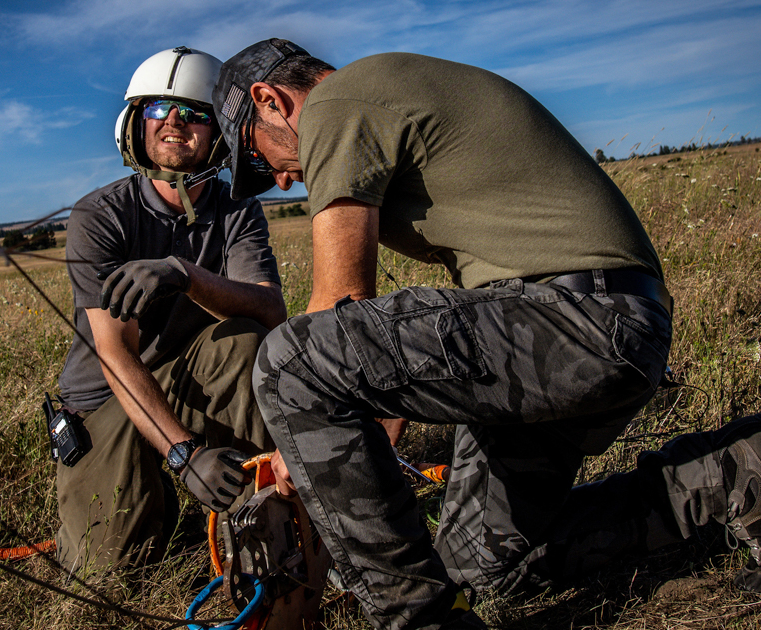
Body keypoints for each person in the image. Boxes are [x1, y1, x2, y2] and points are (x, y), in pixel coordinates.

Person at [210, 39, 761, 630]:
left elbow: (339, 305)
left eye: (261, 159)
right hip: (595, 327)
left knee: (289, 360)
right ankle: (735, 470)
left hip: (580, 318)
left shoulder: (336, 100)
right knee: (480, 566)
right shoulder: (390, 97)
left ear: (270, 99)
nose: (284, 182)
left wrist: (295, 450)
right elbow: (370, 368)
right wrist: (350, 465)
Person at [55, 46, 286, 573]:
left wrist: (184, 275)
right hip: (109, 397)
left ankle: (267, 505)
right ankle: (162, 485)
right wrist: (185, 456)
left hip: (193, 377)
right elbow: (116, 354)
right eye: (160, 109)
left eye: (196, 113)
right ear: (136, 123)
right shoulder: (101, 214)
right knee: (111, 572)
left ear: (220, 132)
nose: (176, 123)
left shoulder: (237, 210)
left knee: (244, 339)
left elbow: (271, 309)